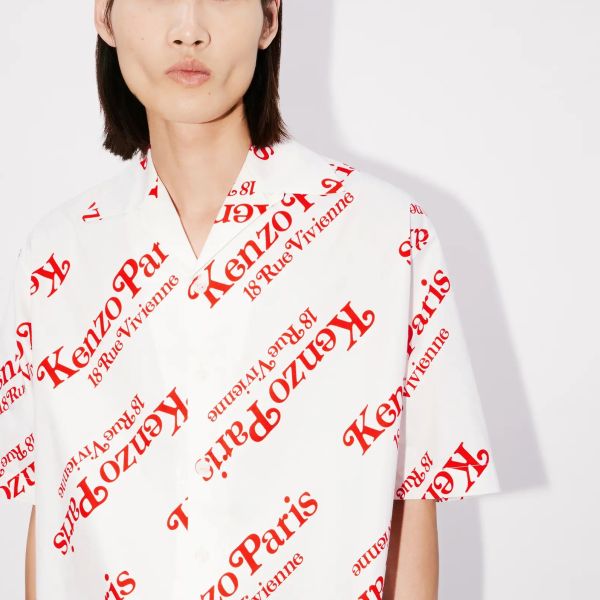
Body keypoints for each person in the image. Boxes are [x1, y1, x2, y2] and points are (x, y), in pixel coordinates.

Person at [0, 1, 500, 598]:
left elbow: (413, 506)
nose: (189, 30)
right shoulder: (57, 255)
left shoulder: (386, 235)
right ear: (105, 17)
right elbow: (52, 520)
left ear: (270, 19)